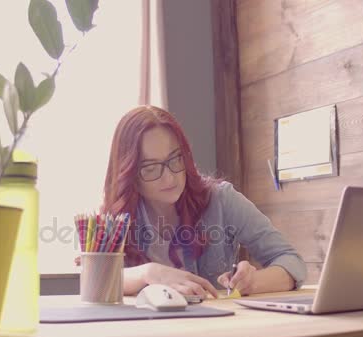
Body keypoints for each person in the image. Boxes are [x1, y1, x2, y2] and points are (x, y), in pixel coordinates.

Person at [86, 105, 306, 298]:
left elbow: (292, 262)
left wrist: (253, 282)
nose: (170, 177)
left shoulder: (221, 200)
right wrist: (149, 273)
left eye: (175, 159)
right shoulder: (113, 219)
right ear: (128, 173)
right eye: (151, 168)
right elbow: (94, 283)